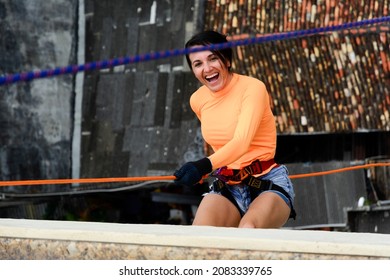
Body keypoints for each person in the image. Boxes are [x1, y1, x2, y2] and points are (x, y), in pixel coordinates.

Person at [173, 30, 296, 228]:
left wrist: (203, 166)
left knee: (247, 230)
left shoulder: (253, 88)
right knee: (198, 236)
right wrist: (203, 171)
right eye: (198, 64)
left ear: (227, 59)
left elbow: (241, 141)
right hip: (227, 184)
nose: (207, 68)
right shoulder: (197, 100)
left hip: (266, 181)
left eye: (213, 58)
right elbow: (219, 145)